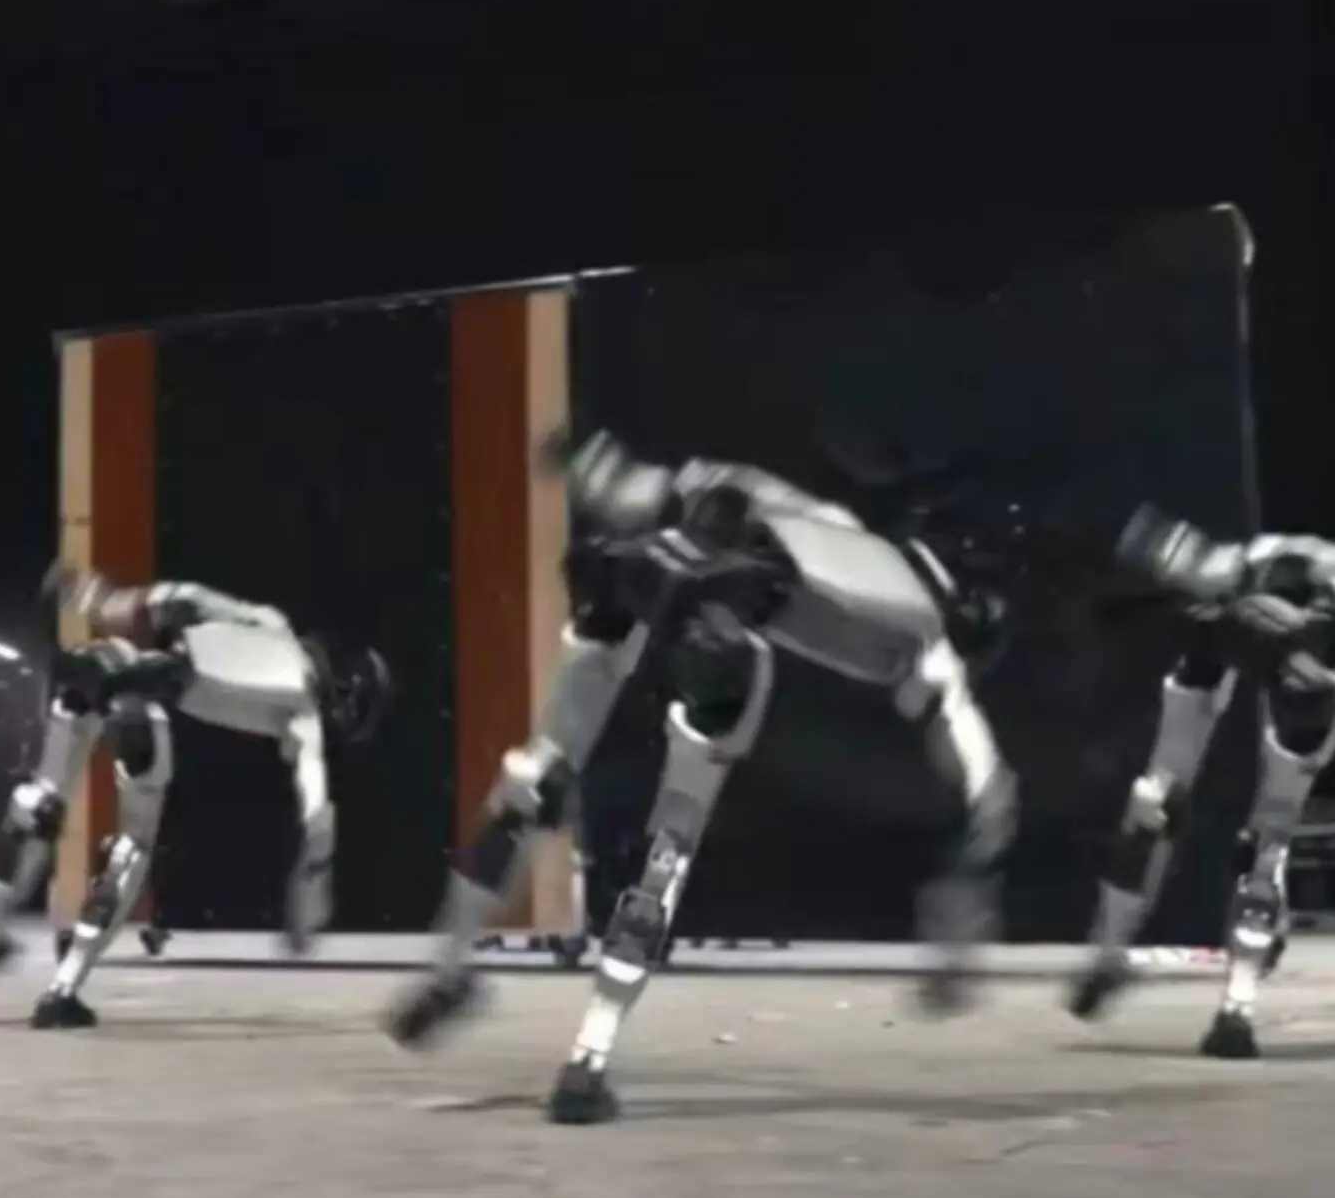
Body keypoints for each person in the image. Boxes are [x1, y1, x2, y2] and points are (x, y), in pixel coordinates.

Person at [383, 428, 1019, 1126]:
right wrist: (970, 895)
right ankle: (587, 1061)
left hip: (636, 573)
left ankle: (448, 968)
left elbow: (662, 488)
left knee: (536, 778)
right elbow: (981, 776)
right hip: (719, 633)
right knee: (668, 849)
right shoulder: (921, 629)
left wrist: (590, 466)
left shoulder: (824, 522)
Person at [1065, 513, 1335, 1056]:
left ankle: (1133, 963)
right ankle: (1227, 1003)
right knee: (1250, 834)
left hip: (1303, 648)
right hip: (1310, 650)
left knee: (1176, 805)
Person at [0, 563, 389, 1029]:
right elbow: (316, 816)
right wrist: (307, 905)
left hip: (102, 664)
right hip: (141, 706)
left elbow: (187, 596)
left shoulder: (272, 626)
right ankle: (61, 991)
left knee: (40, 802)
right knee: (133, 847)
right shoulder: (302, 712)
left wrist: (99, 600)